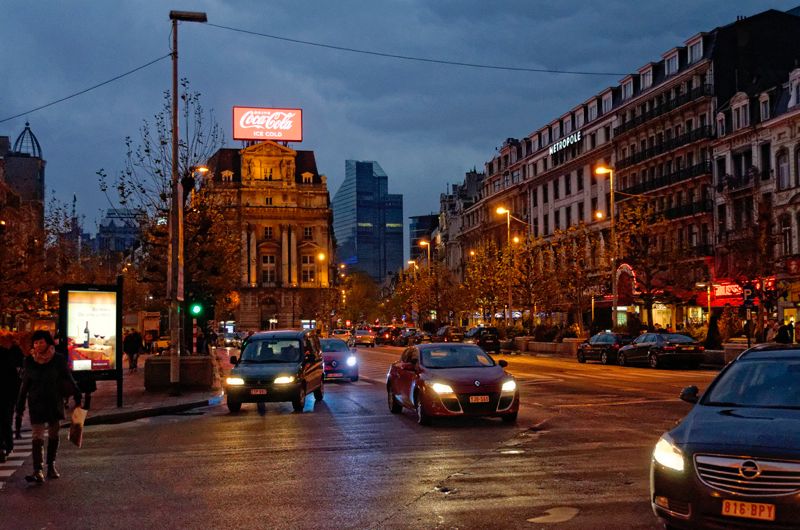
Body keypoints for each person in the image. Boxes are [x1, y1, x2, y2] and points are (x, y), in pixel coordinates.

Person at [16, 330, 82, 483]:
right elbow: (25, 385)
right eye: (36, 342)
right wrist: (19, 408)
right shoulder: (29, 361)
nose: (38, 345)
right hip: (36, 403)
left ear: (48, 343)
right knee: (37, 436)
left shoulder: (58, 359)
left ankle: (51, 465)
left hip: (54, 401)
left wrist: (77, 396)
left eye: (41, 342)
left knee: (53, 434)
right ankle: (37, 470)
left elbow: (68, 377)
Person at [0, 333, 24, 463]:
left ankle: (5, 446)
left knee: (5, 420)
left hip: (7, 394)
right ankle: (7, 446)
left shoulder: (8, 354)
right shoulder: (8, 354)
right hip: (8, 394)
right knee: (6, 420)